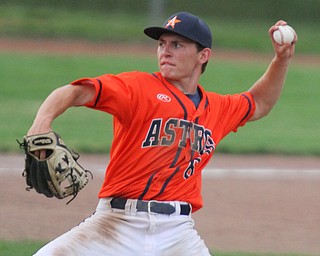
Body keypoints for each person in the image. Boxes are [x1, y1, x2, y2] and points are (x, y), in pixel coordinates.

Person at [29, 12, 297, 256]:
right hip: (116, 223)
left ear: (203, 55)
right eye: (161, 44)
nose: (165, 51)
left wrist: (281, 59)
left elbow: (259, 103)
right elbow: (75, 92)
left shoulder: (216, 108)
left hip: (178, 233)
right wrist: (42, 122)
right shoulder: (137, 87)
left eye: (176, 45)